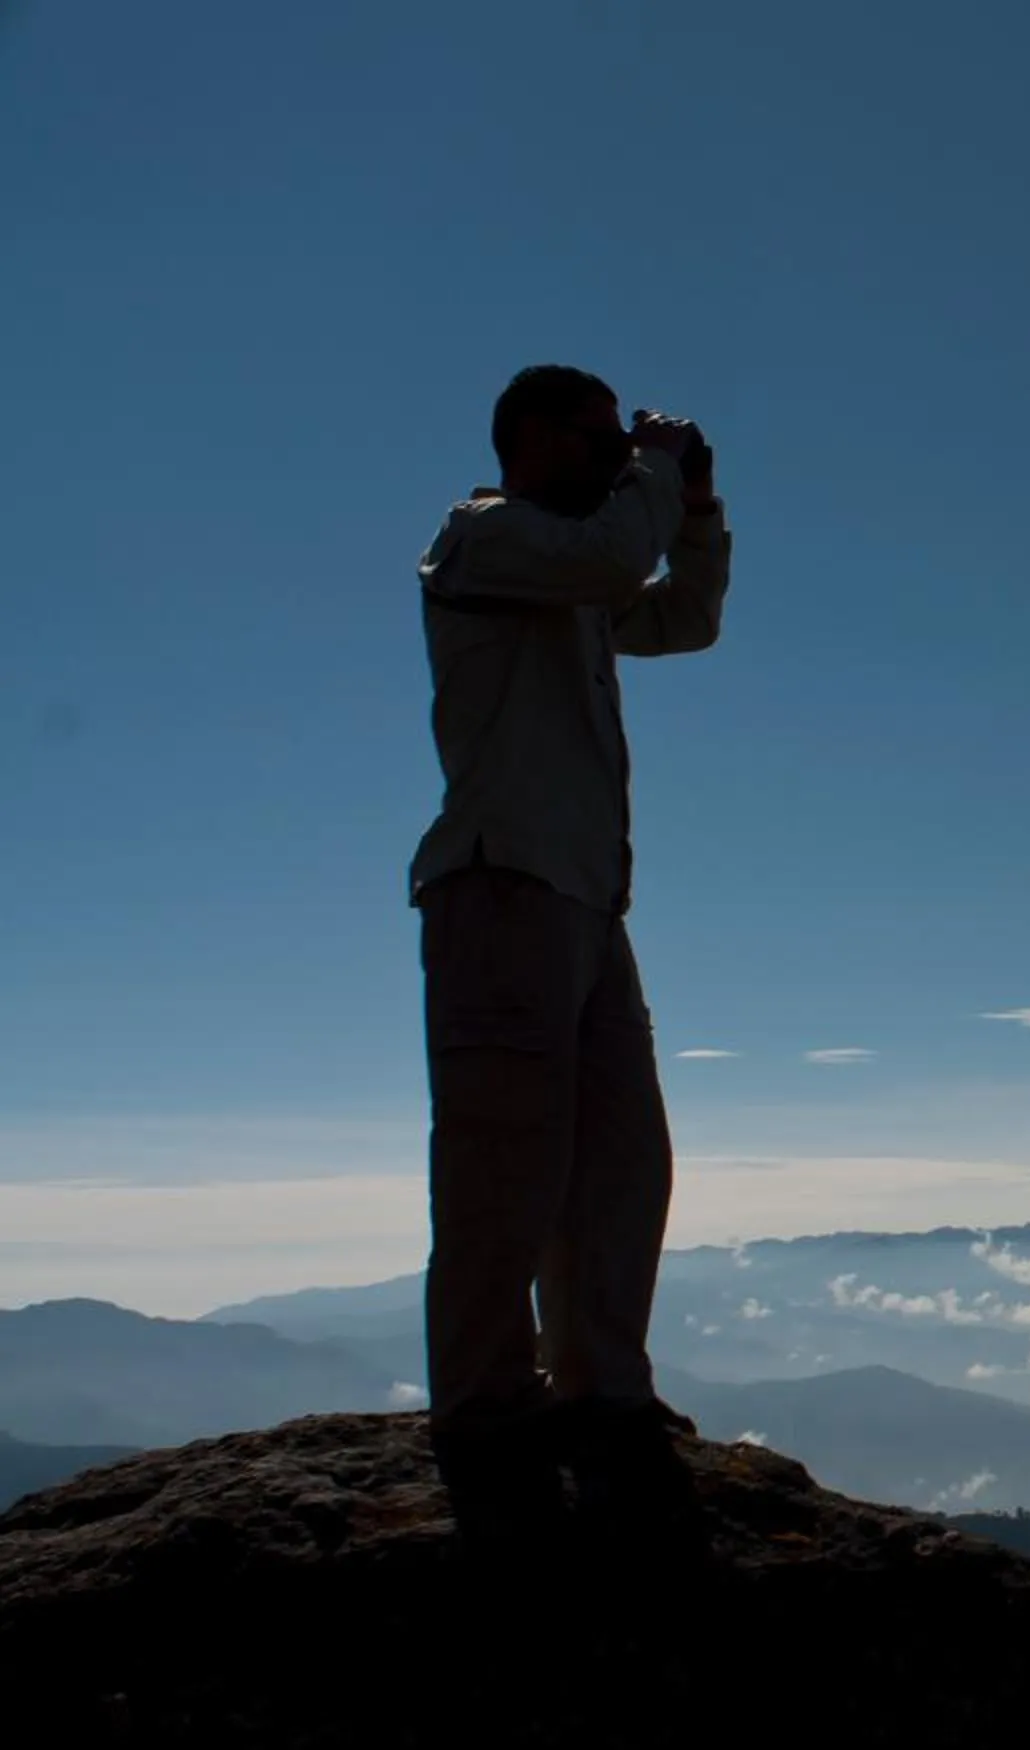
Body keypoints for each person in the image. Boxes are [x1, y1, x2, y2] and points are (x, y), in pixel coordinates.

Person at [407, 364, 732, 1546]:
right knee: (506, 1161)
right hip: (501, 885)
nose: (616, 458)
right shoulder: (483, 539)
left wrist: (694, 511)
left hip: (589, 901)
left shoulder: (571, 564)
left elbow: (684, 619)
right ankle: (486, 1412)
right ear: (534, 437)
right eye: (598, 440)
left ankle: (601, 1392)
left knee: (619, 1159)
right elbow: (609, 563)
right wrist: (656, 472)